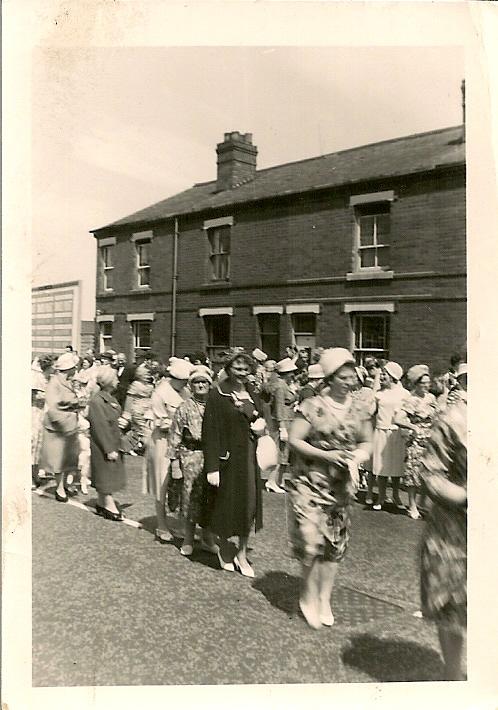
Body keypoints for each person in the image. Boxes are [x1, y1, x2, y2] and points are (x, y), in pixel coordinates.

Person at [288, 348, 373, 629]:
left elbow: (367, 442)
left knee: (334, 546)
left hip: (340, 486)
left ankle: (325, 599)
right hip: (309, 483)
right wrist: (328, 456)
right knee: (311, 542)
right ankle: (308, 596)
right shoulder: (312, 405)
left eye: (352, 376)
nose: (350, 382)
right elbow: (295, 440)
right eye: (344, 377)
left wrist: (357, 458)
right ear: (330, 378)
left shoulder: (359, 407)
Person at [420, 363, 467, 680]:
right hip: (455, 532)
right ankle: (453, 677)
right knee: (456, 606)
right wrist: (468, 497)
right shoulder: (453, 420)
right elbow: (430, 474)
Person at [202, 351, 266, 577]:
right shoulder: (216, 395)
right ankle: (225, 549)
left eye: (245, 369)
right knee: (226, 507)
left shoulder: (252, 393)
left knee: (248, 507)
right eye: (237, 368)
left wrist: (261, 428)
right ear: (229, 368)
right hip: (227, 459)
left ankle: (241, 553)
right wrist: (212, 467)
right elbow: (210, 432)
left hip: (249, 457)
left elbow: (259, 420)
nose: (241, 373)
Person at [168, 366, 217, 556]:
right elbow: (175, 436)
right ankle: (188, 538)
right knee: (189, 498)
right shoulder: (184, 407)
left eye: (204, 382)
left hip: (211, 457)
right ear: (191, 385)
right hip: (190, 457)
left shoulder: (215, 405)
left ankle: (207, 537)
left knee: (210, 498)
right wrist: (174, 463)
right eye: (197, 382)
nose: (201, 385)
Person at [144, 358, 191, 542]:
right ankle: (161, 525)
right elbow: (159, 422)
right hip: (163, 442)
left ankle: (180, 524)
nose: (185, 384)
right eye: (182, 380)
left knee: (181, 483)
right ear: (173, 378)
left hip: (182, 443)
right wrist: (180, 424)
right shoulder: (160, 393)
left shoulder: (185, 391)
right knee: (163, 481)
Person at [395, 365, 438, 519]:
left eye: (428, 382)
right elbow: (397, 419)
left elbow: (436, 415)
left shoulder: (431, 398)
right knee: (413, 474)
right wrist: (412, 426)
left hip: (430, 440)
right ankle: (412, 506)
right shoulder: (411, 400)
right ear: (416, 384)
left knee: (429, 473)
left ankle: (423, 503)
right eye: (423, 383)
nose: (427, 385)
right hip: (416, 441)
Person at [41, 353, 82, 502]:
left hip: (70, 423)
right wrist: (67, 421)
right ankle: (59, 488)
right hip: (59, 426)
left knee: (68, 457)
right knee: (58, 458)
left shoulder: (69, 381)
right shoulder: (54, 383)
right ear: (69, 368)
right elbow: (53, 408)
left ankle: (64, 484)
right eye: (74, 366)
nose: (76, 369)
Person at [87, 368, 127, 521]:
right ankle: (109, 505)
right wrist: (108, 449)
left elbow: (114, 418)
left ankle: (101, 502)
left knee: (107, 473)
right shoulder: (97, 401)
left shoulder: (110, 398)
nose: (118, 380)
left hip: (113, 440)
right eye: (115, 378)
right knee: (106, 474)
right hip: (103, 444)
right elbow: (100, 427)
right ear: (109, 382)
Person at [368, 361, 408, 510]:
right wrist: (373, 392)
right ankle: (381, 496)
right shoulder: (379, 394)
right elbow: (370, 412)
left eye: (384, 374)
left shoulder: (404, 394)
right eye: (382, 374)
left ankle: (396, 495)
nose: (382, 376)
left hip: (397, 433)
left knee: (396, 467)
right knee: (381, 468)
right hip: (381, 432)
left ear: (393, 377)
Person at [265, 357, 298, 493]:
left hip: (288, 420)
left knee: (284, 453)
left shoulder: (283, 384)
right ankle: (271, 481)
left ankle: (278, 480)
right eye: (292, 372)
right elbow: (278, 407)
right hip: (283, 422)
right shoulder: (280, 386)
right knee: (279, 453)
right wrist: (282, 427)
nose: (294, 375)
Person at [31, 355, 54, 488]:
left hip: (42, 414)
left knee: (39, 446)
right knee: (33, 444)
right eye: (53, 366)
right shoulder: (37, 377)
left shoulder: (47, 378)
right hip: (34, 413)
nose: (55, 369)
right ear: (48, 366)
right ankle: (29, 478)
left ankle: (35, 475)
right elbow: (37, 395)